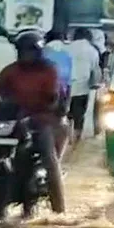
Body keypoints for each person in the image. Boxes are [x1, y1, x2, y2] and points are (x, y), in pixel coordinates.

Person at [0, 32, 66, 215]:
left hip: (41, 120)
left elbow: (54, 96)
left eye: (30, 52)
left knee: (49, 159)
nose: (26, 55)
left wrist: (49, 101)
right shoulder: (11, 70)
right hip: (14, 121)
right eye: (22, 51)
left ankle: (59, 209)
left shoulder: (49, 70)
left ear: (38, 52)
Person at [67, 28, 101, 143]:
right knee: (79, 115)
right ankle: (76, 139)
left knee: (66, 114)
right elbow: (96, 71)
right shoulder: (92, 50)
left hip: (65, 87)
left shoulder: (67, 48)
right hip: (82, 88)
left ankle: (66, 138)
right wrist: (95, 84)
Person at [44, 29, 73, 157]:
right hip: (59, 96)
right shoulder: (67, 54)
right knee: (61, 126)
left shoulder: (41, 52)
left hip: (37, 98)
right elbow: (69, 82)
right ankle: (57, 158)